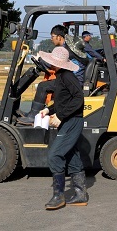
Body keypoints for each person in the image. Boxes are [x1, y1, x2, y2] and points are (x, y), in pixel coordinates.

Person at [36, 46, 87, 210]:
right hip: (69, 119)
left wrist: (60, 115)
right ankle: (80, 194)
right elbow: (62, 101)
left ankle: (59, 196)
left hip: (72, 121)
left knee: (54, 154)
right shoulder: (60, 76)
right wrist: (48, 110)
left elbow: (79, 98)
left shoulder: (67, 76)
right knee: (72, 156)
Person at [17, 25, 87, 125]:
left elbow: (56, 64)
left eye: (52, 36)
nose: (51, 39)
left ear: (59, 37)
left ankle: (33, 116)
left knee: (43, 86)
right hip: (71, 80)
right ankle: (33, 113)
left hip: (70, 82)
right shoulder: (67, 50)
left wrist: (41, 60)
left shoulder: (65, 52)